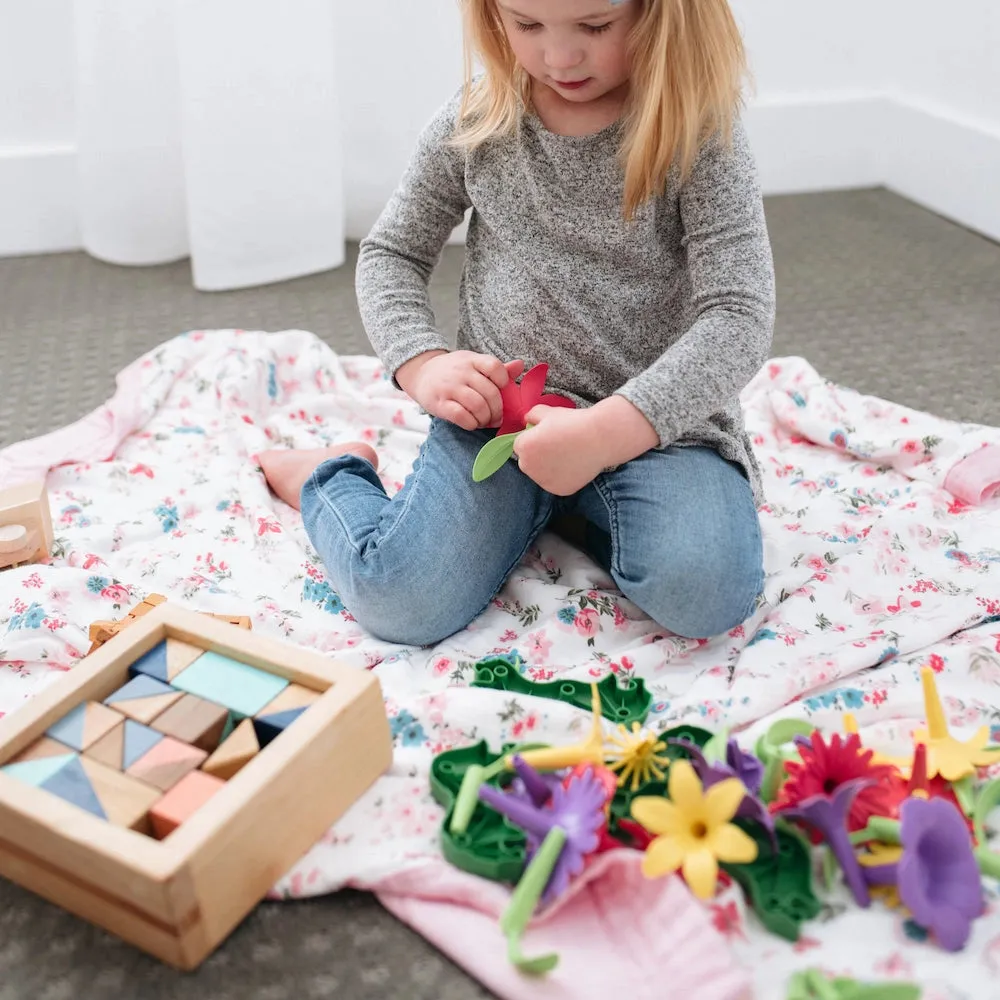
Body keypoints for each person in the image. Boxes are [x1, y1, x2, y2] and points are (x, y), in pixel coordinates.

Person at [260, 0, 775, 647]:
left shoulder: (698, 133)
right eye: (526, 24)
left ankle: (571, 506)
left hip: (655, 427)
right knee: (400, 601)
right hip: (500, 419)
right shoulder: (478, 119)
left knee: (705, 595)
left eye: (594, 26)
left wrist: (601, 437)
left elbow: (740, 313)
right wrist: (422, 364)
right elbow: (392, 252)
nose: (558, 57)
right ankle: (328, 473)